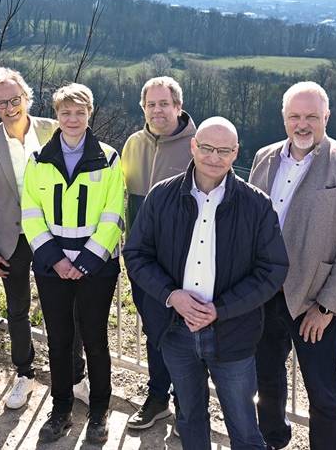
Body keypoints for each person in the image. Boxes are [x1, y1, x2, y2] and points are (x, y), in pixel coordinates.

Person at [124, 117, 289, 449]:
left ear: (236, 152)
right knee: (188, 417)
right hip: (176, 331)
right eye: (207, 148)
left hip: (233, 333)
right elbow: (137, 254)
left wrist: (221, 309)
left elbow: (273, 269)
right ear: (193, 146)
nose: (214, 158)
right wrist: (171, 296)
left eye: (224, 151)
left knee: (243, 424)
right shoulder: (162, 196)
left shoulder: (256, 204)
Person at [248, 82, 336, 450]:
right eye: (294, 116)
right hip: (264, 294)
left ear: (326, 117)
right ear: (284, 118)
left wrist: (326, 307)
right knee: (266, 379)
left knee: (322, 394)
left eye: (311, 117)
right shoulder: (265, 157)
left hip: (314, 302)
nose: (302, 124)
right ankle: (273, 439)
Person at [0, 67, 89, 410]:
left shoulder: (52, 129)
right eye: (1, 103)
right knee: (18, 309)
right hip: (13, 240)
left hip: (56, 235)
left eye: (15, 99)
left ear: (26, 97)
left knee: (68, 309)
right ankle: (24, 374)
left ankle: (76, 377)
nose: (9, 107)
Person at [21, 83, 124, 444]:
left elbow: (113, 214)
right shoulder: (38, 160)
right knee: (59, 339)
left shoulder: (110, 158)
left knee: (95, 340)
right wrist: (56, 260)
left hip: (97, 267)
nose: (73, 118)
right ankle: (61, 408)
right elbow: (31, 215)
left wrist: (86, 261)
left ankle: (99, 412)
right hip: (53, 266)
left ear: (89, 113)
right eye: (65, 112)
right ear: (56, 115)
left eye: (80, 112)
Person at [121, 76, 197, 429]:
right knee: (155, 331)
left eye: (164, 104)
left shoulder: (197, 147)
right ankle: (158, 397)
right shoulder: (133, 144)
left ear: (178, 107)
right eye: (150, 104)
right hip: (143, 262)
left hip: (187, 262)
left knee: (186, 335)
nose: (157, 110)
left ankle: (188, 405)